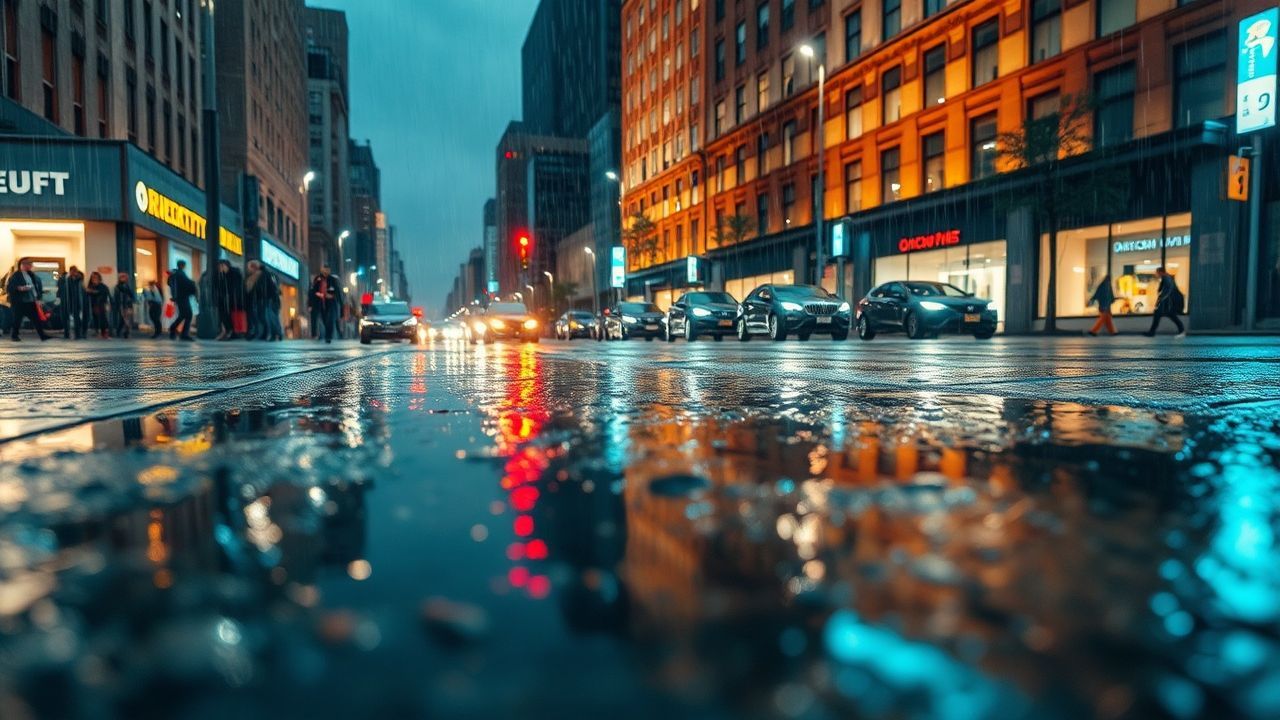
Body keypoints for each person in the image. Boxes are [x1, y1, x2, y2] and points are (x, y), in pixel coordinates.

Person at [6, 258, 50, 341]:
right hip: (20, 302)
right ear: (22, 265)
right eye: (28, 264)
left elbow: (35, 287)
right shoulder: (16, 275)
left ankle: (42, 335)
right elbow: (10, 288)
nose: (30, 266)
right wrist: (20, 288)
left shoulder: (32, 275)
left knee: (36, 319)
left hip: (30, 301)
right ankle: (14, 336)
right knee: (17, 319)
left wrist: (38, 297)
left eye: (30, 264)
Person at [1144, 266, 1186, 339]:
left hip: (1169, 302)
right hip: (1168, 302)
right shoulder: (1166, 277)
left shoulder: (1167, 278)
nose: (1156, 274)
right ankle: (1151, 332)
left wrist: (1162, 299)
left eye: (1157, 272)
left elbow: (1169, 289)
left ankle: (1182, 331)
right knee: (1161, 314)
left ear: (1160, 272)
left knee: (1168, 315)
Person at [213, 259, 245, 340]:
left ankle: (232, 332)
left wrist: (235, 298)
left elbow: (237, 288)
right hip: (224, 299)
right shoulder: (221, 275)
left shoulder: (234, 274)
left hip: (233, 300)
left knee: (230, 316)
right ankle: (228, 331)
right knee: (223, 315)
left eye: (221, 266)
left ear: (225, 265)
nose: (219, 268)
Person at [167, 260, 196, 341]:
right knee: (188, 314)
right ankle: (184, 334)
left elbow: (169, 283)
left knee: (183, 315)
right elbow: (188, 284)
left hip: (178, 298)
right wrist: (193, 285)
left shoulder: (175, 274)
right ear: (183, 266)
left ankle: (174, 329)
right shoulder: (181, 274)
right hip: (183, 297)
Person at [57, 265, 88, 339]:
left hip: (76, 302)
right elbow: (60, 289)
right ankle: (66, 333)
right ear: (70, 271)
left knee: (77, 318)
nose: (74, 273)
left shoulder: (79, 280)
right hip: (66, 301)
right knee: (65, 318)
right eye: (73, 271)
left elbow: (82, 291)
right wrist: (59, 298)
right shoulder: (64, 279)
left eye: (76, 271)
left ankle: (78, 334)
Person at [310, 266, 340, 343]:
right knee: (324, 319)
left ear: (329, 271)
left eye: (327, 270)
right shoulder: (317, 279)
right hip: (320, 303)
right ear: (322, 270)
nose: (326, 271)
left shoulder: (332, 280)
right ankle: (323, 334)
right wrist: (318, 296)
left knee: (330, 320)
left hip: (330, 303)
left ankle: (328, 336)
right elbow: (313, 291)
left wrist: (333, 296)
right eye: (324, 269)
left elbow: (337, 291)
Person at [86, 272, 111, 338]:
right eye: (93, 278)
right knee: (95, 319)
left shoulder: (103, 286)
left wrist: (92, 291)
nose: (94, 279)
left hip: (101, 305)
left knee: (102, 319)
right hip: (93, 305)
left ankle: (104, 332)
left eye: (96, 278)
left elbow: (103, 294)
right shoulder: (90, 286)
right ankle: (97, 331)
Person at [112, 273, 136, 338]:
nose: (123, 279)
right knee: (125, 319)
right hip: (122, 304)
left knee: (126, 319)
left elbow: (131, 294)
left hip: (128, 304)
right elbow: (117, 297)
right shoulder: (118, 287)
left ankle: (124, 332)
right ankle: (124, 332)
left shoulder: (127, 286)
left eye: (124, 277)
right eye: (122, 277)